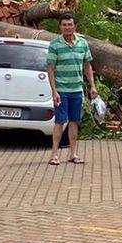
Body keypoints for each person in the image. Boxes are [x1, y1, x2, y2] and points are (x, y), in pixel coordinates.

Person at [47, 14, 98, 166]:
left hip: (77, 89)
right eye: (64, 25)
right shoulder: (55, 45)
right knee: (59, 122)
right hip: (62, 89)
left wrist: (92, 86)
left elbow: (87, 66)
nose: (67, 27)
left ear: (75, 26)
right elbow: (50, 69)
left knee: (74, 121)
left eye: (70, 24)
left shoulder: (82, 43)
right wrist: (54, 91)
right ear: (60, 27)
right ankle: (54, 155)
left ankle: (73, 153)